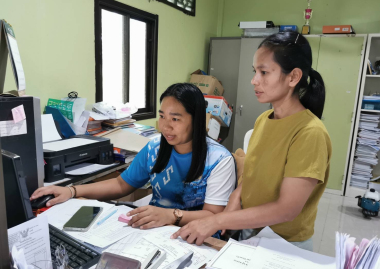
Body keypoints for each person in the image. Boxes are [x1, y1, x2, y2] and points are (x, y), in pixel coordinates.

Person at [172, 31, 332, 251]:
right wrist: (235, 199)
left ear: (293, 77)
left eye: (264, 72)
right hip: (251, 231)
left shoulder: (310, 133)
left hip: (286, 245)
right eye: (255, 71)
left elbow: (287, 209)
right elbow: (252, 173)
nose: (254, 80)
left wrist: (217, 221)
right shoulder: (263, 120)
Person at [31, 83, 236, 230]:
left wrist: (171, 216)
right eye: (162, 116)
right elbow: (121, 185)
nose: (165, 126)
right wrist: (72, 191)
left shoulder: (219, 159)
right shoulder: (156, 146)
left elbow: (214, 216)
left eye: (175, 119)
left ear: (197, 120)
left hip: (196, 235)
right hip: (153, 229)